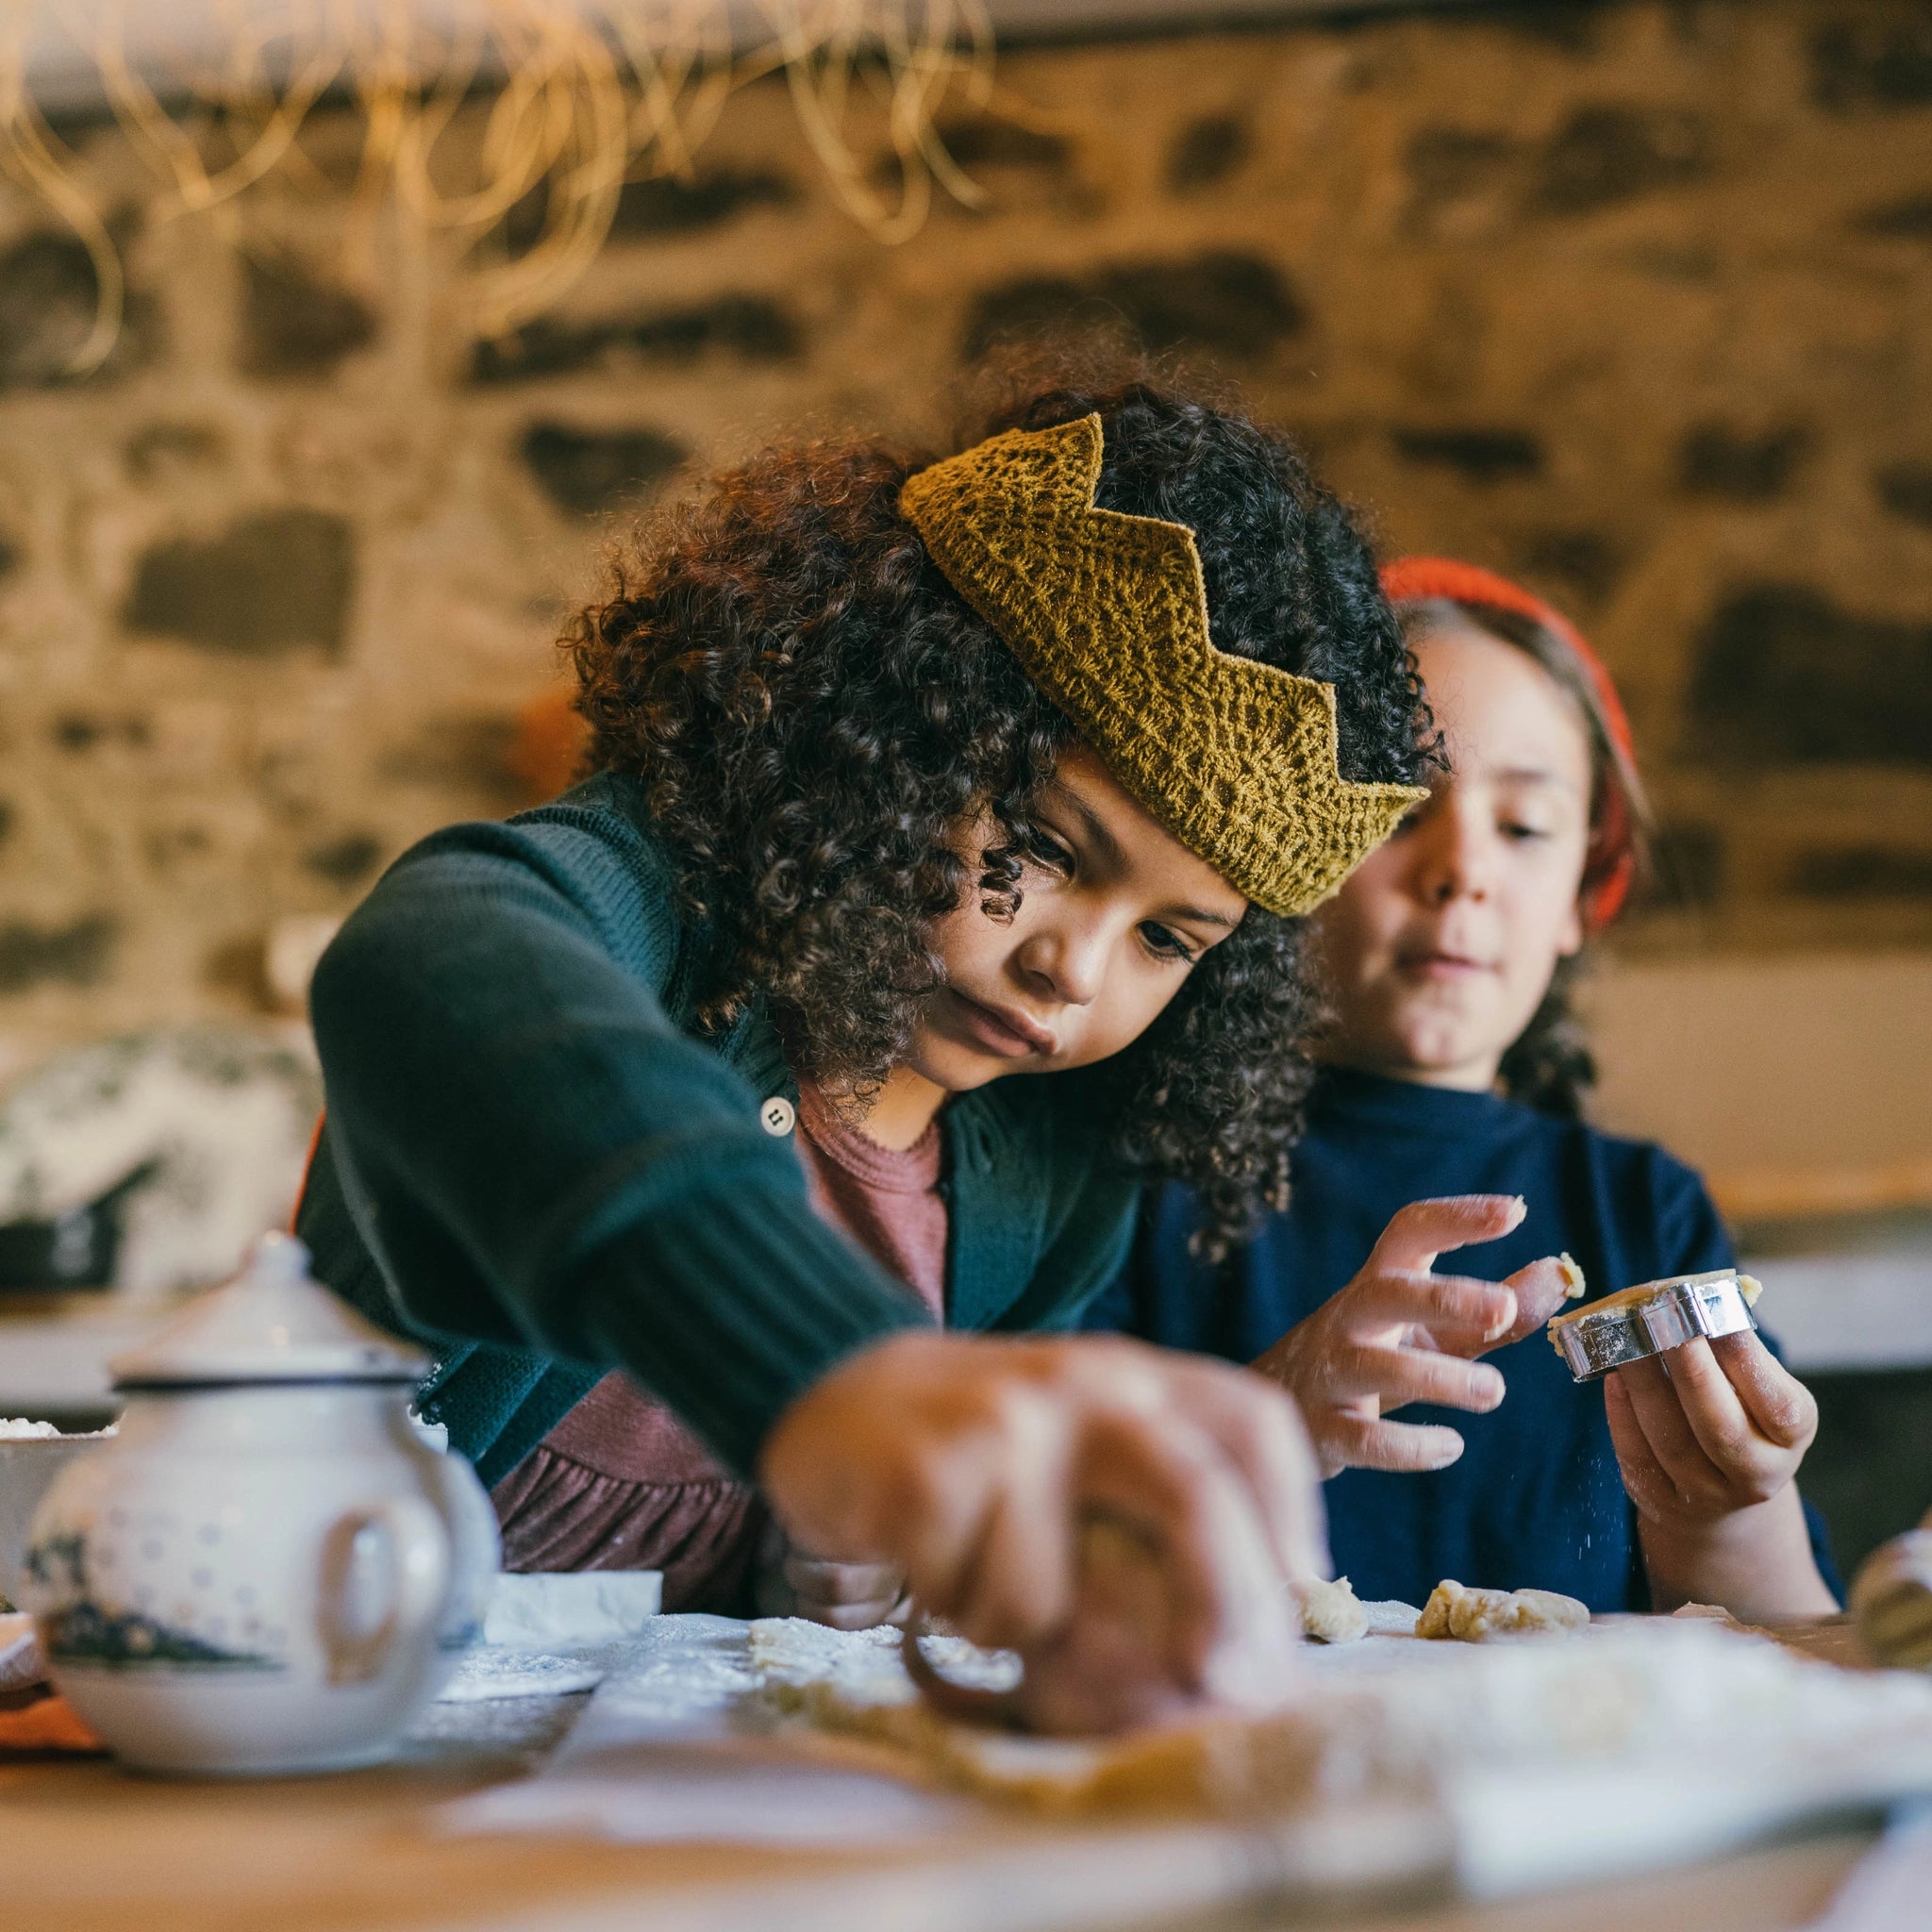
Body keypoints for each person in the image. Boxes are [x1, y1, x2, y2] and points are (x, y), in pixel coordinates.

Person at [293, 374, 1433, 1707]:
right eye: (1046, 848)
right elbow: (427, 964)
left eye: (1168, 941)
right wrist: (836, 1372)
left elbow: (845, 1597)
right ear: (892, 728)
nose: (1073, 965)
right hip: (338, 1715)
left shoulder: (1059, 1169)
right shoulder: (654, 913)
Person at [1089, 558, 1839, 1622]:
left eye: (1523, 828)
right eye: (1398, 812)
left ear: (1579, 894)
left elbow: (1787, 1642)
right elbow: (1016, 1560)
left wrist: (1722, 1514)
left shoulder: (1644, 1211)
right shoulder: (1130, 1179)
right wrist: (1264, 1415)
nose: (1461, 870)